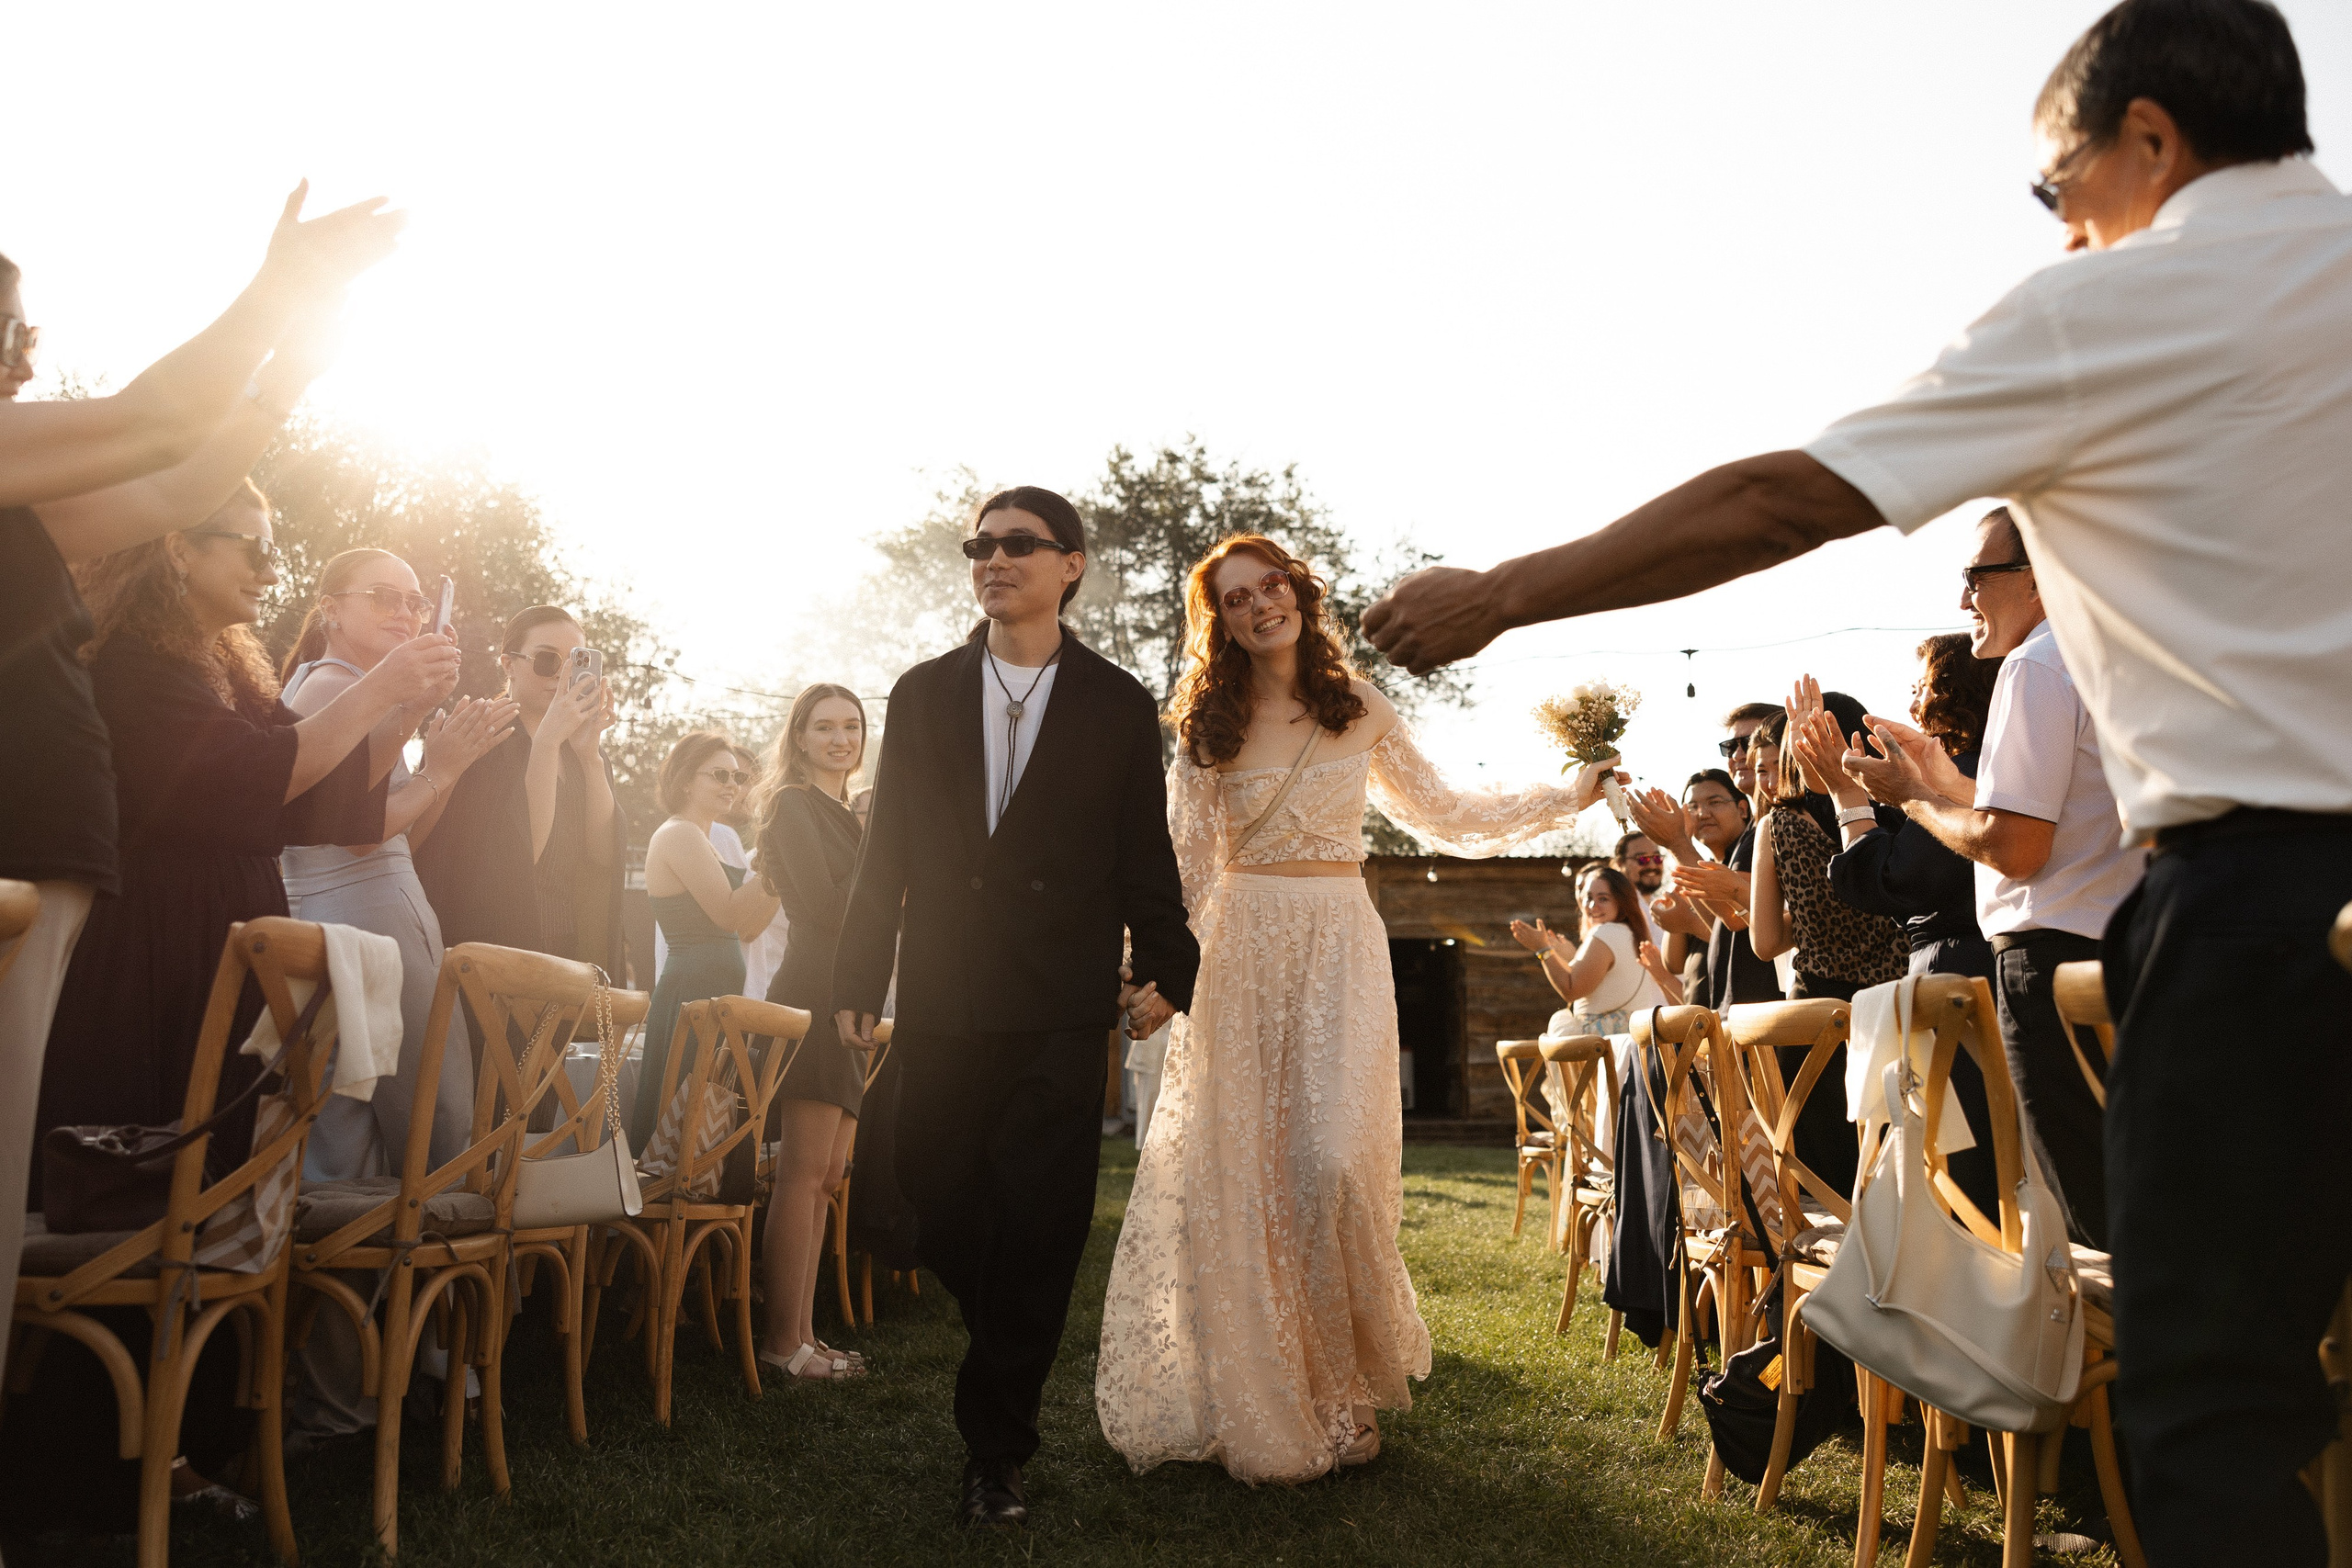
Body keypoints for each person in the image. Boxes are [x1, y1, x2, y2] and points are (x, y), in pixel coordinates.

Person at [1363, 3, 2352, 1552]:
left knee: (2219, 1401)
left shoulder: (2120, 307)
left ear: (2149, 139)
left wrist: (1508, 590)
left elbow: (1786, 497)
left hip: (2255, 908)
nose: (2061, 229)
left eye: (2054, 188)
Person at [1096, 531, 1608, 1485]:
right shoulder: (1207, 730)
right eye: (1236, 599)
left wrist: (1562, 798)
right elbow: (1185, 871)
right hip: (1243, 947)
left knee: (1330, 1163)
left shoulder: (1359, 706)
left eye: (1271, 586)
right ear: (1220, 623)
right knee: (1249, 1174)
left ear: (1300, 592)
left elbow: (1447, 815)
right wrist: (1154, 975)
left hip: (1339, 940)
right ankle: (1266, 1400)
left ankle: (1338, 1389)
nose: (1259, 607)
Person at [0, 194, 401, 1396]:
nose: (24, 348)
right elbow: (149, 417)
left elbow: (180, 477)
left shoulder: (29, 494)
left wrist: (293, 366)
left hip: (52, 863)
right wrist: (280, 287)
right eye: (7, 323)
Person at [18, 484, 453, 1520]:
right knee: (143, 1187)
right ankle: (97, 1461)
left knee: (217, 1192)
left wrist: (402, 711)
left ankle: (187, 1442)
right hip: (153, 953)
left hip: (221, 944)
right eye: (248, 546)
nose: (270, 567)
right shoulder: (133, 660)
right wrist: (381, 680)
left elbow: (326, 802)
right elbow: (252, 778)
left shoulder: (226, 663)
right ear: (173, 547)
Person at [830, 487, 1199, 1529]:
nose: (994, 559)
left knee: (1040, 1223)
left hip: (1057, 1004)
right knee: (928, 1186)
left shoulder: (1119, 703)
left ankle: (997, 1453)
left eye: (1018, 545)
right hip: (944, 992)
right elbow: (885, 851)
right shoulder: (920, 692)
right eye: (980, 546)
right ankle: (1005, 1320)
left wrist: (1171, 961)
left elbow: (1142, 852)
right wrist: (858, 975)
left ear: (1070, 565)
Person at [1843, 512, 2143, 1249]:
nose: (1963, 598)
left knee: (2088, 1223)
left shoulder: (2037, 663)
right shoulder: (2108, 657)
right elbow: (2064, 818)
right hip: (2117, 956)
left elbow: (2016, 847)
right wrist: (1939, 778)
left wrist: (1910, 799)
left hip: (2050, 967)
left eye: (1976, 575)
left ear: (2038, 577)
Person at [278, 551, 514, 1179]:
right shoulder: (331, 684)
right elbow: (356, 838)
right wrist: (440, 768)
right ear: (331, 608)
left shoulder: (349, 690)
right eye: (384, 595)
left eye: (415, 601)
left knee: (355, 1126)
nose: (405, 613)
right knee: (436, 1117)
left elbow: (393, 838)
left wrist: (440, 759)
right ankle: (434, 1263)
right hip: (369, 920)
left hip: (368, 909)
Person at [1794, 644, 2005, 1218]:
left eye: (1922, 683)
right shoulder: (1965, 765)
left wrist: (1846, 797)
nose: (1912, 698)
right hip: (1955, 973)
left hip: (1963, 978)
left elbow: (1901, 875)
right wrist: (1840, 786)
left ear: (1956, 689)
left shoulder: (1971, 762)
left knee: (1969, 1173)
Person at [746, 685, 875, 1382]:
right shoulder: (796, 806)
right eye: (824, 726)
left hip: (850, 998)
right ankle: (779, 1345)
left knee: (827, 1177)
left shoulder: (845, 814)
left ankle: (806, 1335)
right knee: (800, 1173)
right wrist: (881, 841)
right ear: (799, 737)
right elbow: (829, 907)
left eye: (851, 726)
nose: (839, 738)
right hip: (813, 993)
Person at [413, 604, 626, 974]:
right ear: (508, 664)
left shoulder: (581, 748)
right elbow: (518, 858)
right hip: (493, 953)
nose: (560, 677)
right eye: (547, 660)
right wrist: (546, 744)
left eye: (574, 664)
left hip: (568, 954)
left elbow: (603, 859)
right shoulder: (478, 735)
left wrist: (590, 758)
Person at [632, 731, 777, 1148]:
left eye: (736, 776)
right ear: (683, 781)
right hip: (692, 992)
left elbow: (748, 922)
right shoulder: (679, 834)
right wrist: (776, 855)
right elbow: (729, 914)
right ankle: (669, 1208)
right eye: (719, 775)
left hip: (713, 991)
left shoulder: (706, 839)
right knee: (679, 1127)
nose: (733, 785)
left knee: (703, 1126)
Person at [1636, 705, 1784, 1011]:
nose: (1740, 755)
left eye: (1753, 742)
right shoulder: (1754, 832)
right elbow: (1682, 955)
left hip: (1770, 1005)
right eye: (1731, 747)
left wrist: (1678, 843)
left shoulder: (1775, 825)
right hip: (1734, 1007)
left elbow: (1738, 917)